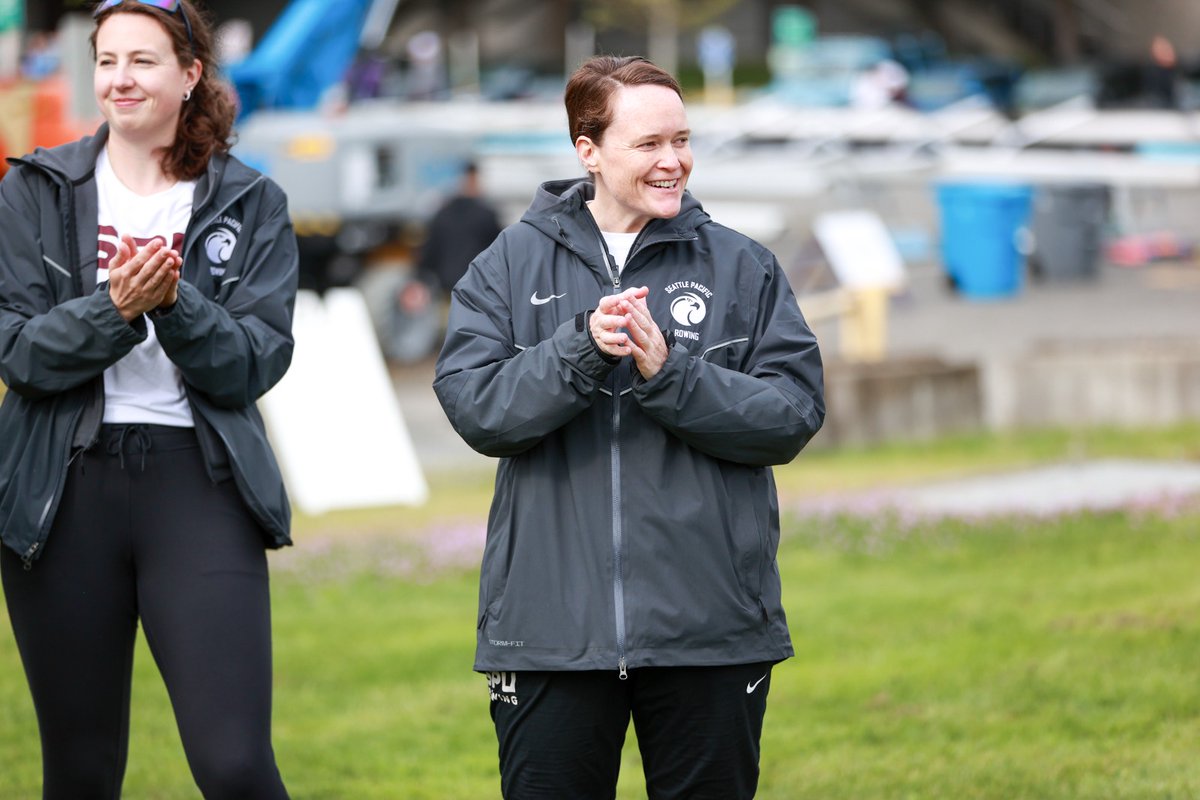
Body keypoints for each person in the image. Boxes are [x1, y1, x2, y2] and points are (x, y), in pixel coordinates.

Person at [434, 55, 825, 799]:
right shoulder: (506, 266)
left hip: (710, 630)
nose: (673, 161)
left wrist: (672, 375)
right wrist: (579, 350)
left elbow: (792, 415)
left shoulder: (745, 268)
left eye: (681, 140)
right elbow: (478, 409)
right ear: (588, 150)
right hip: (549, 634)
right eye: (648, 144)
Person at [0, 1, 297, 797]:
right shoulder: (35, 188)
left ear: (190, 73)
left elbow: (251, 367)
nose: (119, 79)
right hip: (62, 492)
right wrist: (116, 308)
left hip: (196, 484)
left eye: (143, 60)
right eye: (106, 60)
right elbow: (21, 354)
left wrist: (174, 302)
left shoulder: (253, 202)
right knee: (81, 769)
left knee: (235, 765)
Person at [417, 159, 502, 295]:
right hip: (477, 289)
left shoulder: (442, 214)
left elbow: (429, 254)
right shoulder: (487, 215)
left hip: (448, 288)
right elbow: (498, 252)